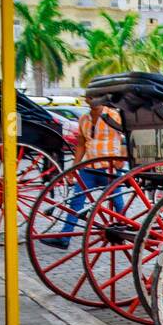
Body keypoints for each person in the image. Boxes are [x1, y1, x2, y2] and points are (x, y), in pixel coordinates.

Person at [41, 101, 125, 249]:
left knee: (117, 201)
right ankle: (65, 237)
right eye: (90, 96)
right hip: (89, 168)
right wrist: (74, 168)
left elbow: (125, 137)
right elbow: (81, 144)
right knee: (76, 201)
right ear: (87, 99)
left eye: (95, 97)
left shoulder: (113, 116)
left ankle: (124, 232)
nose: (92, 99)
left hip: (109, 167)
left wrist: (122, 159)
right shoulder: (84, 119)